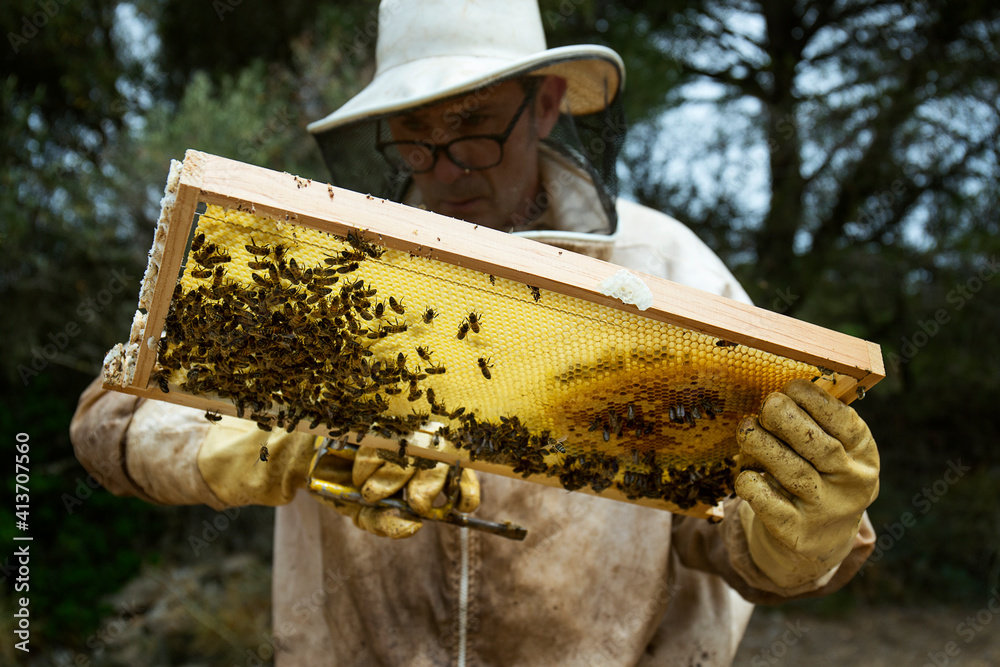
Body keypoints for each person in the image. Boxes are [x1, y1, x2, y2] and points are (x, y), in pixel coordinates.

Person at [70, 1, 879, 665]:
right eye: (417, 138)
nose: (447, 167)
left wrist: (795, 540)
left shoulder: (666, 266)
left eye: (475, 128)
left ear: (548, 103)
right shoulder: (326, 265)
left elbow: (755, 541)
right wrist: (256, 443)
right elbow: (108, 422)